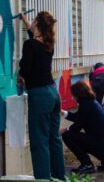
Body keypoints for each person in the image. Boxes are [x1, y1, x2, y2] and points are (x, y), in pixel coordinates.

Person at [18, 11, 65, 180]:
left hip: (40, 96)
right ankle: (59, 176)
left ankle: (43, 178)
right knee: (54, 139)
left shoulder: (30, 45)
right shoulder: (48, 43)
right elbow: (34, 35)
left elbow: (26, 69)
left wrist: (20, 74)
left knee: (39, 142)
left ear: (37, 23)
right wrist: (25, 21)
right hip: (53, 93)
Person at [61, 81, 104, 174]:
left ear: (78, 94)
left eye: (73, 95)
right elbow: (78, 118)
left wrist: (64, 131)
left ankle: (87, 164)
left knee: (68, 136)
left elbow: (77, 126)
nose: (72, 97)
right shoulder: (90, 102)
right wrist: (64, 112)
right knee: (84, 139)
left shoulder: (85, 104)